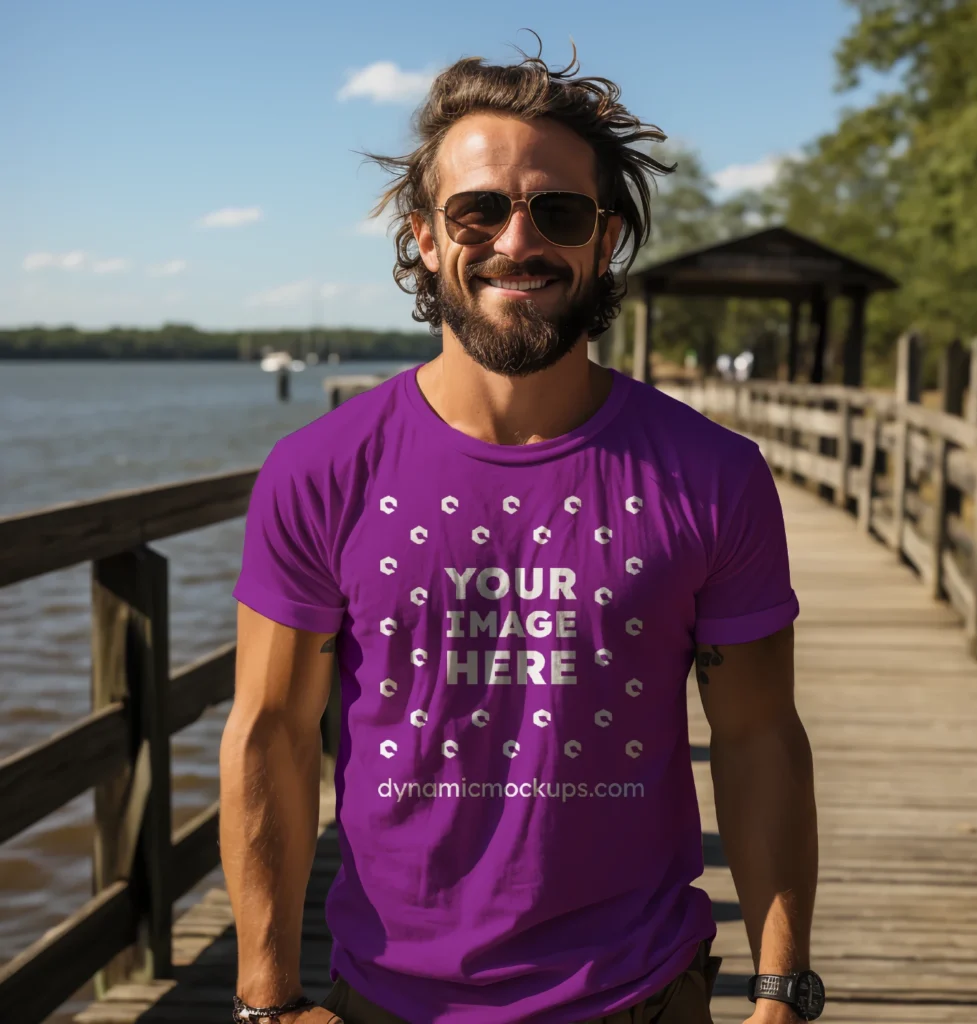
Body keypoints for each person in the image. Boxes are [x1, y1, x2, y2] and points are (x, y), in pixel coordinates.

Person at [222, 36, 820, 1024]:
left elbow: (758, 735)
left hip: (637, 992)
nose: (517, 240)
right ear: (424, 234)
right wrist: (265, 1000)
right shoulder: (320, 473)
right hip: (387, 999)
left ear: (605, 235)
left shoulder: (714, 477)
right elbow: (271, 735)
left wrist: (782, 989)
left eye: (558, 210)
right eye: (479, 209)